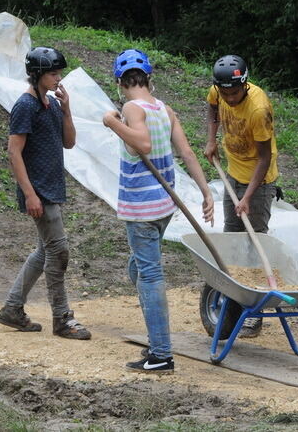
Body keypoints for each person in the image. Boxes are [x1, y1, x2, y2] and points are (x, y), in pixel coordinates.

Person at [103, 49, 214, 374]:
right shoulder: (164, 109)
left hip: (143, 209)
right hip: (165, 206)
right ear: (148, 78)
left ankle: (161, 354)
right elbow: (188, 151)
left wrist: (112, 122)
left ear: (120, 82)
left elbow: (143, 144)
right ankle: (157, 333)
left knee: (149, 276)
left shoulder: (131, 108)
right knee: (139, 269)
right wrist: (205, 191)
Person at [0, 47, 91, 340]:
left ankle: (12, 308)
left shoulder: (50, 103)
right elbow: (14, 152)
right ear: (37, 75)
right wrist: (30, 194)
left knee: (43, 252)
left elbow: (70, 142)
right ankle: (62, 318)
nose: (58, 78)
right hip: (39, 192)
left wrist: (67, 108)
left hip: (51, 189)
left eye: (58, 73)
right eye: (53, 73)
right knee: (58, 251)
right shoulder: (25, 105)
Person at [203, 54, 279, 337]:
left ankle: (254, 315)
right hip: (232, 174)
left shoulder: (258, 109)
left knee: (253, 244)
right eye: (225, 93)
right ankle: (231, 304)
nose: (229, 98)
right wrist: (212, 139)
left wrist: (247, 197)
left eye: (234, 93)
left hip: (258, 184)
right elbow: (212, 107)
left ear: (245, 86)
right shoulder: (219, 91)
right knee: (232, 239)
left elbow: (264, 159)